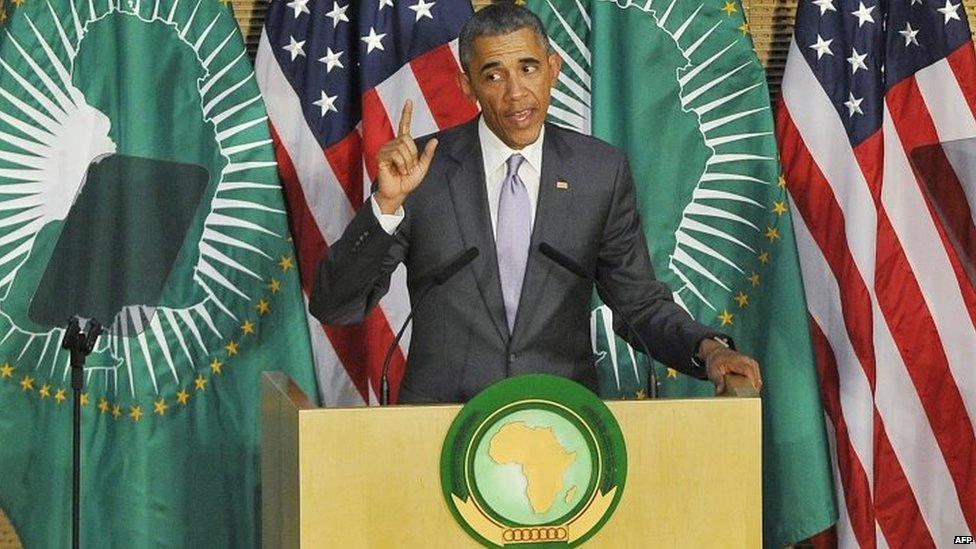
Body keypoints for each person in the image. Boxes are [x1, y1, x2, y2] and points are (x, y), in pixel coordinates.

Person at [310, 3, 761, 403]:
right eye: (494, 75)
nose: (516, 94)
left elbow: (638, 304)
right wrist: (386, 207)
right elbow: (335, 305)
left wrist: (708, 349)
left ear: (553, 69)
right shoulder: (420, 173)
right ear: (466, 85)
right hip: (443, 425)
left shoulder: (598, 171)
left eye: (528, 68)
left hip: (562, 425)